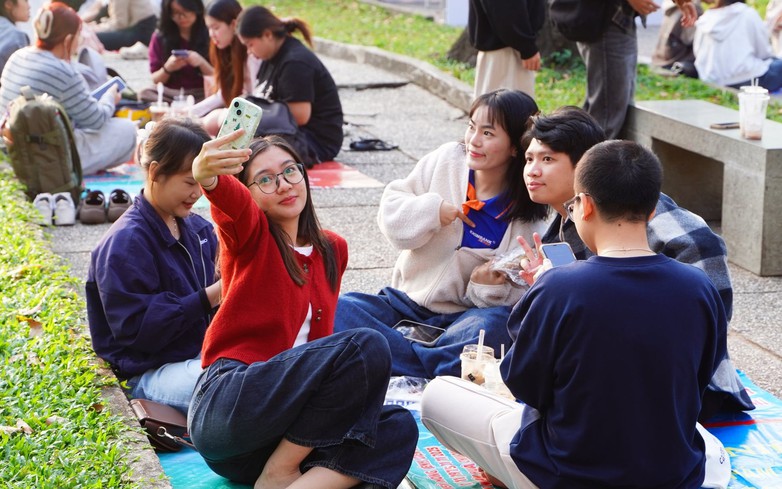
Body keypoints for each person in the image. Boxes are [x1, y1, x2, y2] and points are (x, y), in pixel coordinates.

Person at [421, 140, 731, 489]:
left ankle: (509, 476)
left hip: (566, 472)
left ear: (585, 206)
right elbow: (701, 377)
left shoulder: (559, 287)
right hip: (670, 472)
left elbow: (524, 384)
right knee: (707, 447)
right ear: (651, 211)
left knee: (437, 396)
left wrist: (541, 294)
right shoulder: (699, 286)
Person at [187, 132, 417, 488]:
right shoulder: (250, 235)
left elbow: (318, 352)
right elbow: (229, 202)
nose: (283, 184)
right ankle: (279, 473)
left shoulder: (332, 249)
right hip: (230, 408)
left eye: (289, 170)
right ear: (248, 192)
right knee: (365, 345)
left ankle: (290, 481)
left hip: (280, 436)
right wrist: (208, 176)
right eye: (265, 179)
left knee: (397, 426)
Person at [519, 106, 754, 419]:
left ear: (587, 163)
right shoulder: (562, 228)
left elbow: (706, 326)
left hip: (687, 390)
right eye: (529, 159)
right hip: (616, 380)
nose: (532, 171)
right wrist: (551, 290)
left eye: (547, 159)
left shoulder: (658, 225)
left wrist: (557, 292)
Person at [334, 89, 550, 379]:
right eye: (472, 127)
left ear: (515, 147)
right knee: (337, 309)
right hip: (403, 304)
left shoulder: (528, 212)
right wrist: (431, 212)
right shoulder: (446, 160)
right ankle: (432, 367)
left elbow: (518, 295)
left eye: (488, 133)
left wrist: (484, 286)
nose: (473, 140)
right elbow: (391, 216)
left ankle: (387, 357)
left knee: (494, 328)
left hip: (463, 319)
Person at [86, 118, 220, 414]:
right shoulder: (125, 243)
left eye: (202, 182)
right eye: (189, 182)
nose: (197, 193)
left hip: (198, 356)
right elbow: (139, 332)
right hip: (148, 372)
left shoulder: (198, 229)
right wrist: (211, 296)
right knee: (230, 385)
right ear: (156, 172)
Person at [0, 2, 136, 174]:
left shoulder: (18, 56)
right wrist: (110, 97)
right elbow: (96, 120)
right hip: (45, 158)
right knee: (127, 130)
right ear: (68, 40)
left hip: (10, 148)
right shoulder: (63, 70)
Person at [237, 5, 343, 165]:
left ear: (267, 35)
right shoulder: (270, 56)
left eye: (250, 44)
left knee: (246, 149)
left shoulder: (295, 62)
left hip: (314, 140)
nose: (249, 51)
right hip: (292, 132)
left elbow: (300, 116)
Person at [576, 0, 697, 138]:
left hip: (619, 19)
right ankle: (588, 150)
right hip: (607, 20)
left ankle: (582, 147)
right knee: (606, 116)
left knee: (609, 107)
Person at [190, 0, 260, 134]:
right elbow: (222, 94)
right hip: (239, 114)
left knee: (212, 120)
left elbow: (255, 98)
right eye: (209, 28)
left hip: (253, 118)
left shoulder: (251, 53)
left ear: (234, 24)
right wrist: (189, 112)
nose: (211, 34)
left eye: (216, 28)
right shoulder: (225, 51)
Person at [693, 0, 782, 92]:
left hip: (711, 79)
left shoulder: (706, 17)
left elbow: (697, 52)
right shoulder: (748, 14)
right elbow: (764, 53)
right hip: (747, 79)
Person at [467, 0, 544, 98]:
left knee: (498, 104)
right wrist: (527, 47)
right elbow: (505, 9)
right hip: (506, 50)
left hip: (507, 46)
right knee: (505, 105)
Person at [142, 0, 212, 103]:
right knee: (145, 93)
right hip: (171, 93)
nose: (181, 17)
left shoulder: (210, 34)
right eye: (175, 13)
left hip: (202, 91)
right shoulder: (160, 37)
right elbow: (155, 80)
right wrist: (168, 68)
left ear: (196, 9)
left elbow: (219, 76)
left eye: (186, 11)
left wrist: (201, 62)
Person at [651, 0, 706, 77]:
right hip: (675, 63)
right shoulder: (692, 8)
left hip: (659, 59)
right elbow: (694, 41)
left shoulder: (674, 4)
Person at [86, 0, 157, 52]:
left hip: (140, 34)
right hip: (142, 30)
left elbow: (120, 23)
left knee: (92, 38)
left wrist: (97, 28)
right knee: (92, 36)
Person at [0, 0, 30, 77]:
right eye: (25, 1)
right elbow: (21, 78)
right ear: (8, 4)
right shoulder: (17, 37)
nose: (29, 6)